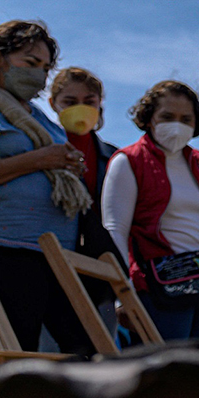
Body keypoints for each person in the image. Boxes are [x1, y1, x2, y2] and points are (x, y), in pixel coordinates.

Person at [0, 21, 92, 354]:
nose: (39, 74)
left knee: (82, 350)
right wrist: (40, 160)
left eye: (45, 67)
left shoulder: (40, 116)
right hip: (6, 246)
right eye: (30, 62)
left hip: (57, 252)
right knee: (18, 350)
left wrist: (67, 164)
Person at [102, 80, 199, 342]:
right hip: (158, 290)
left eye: (185, 119)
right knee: (168, 372)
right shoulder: (128, 162)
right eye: (167, 116)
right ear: (149, 118)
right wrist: (123, 293)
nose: (177, 125)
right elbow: (115, 230)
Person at [49, 66, 121, 334]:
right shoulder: (42, 149)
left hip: (100, 270)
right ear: (53, 104)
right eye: (70, 102)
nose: (80, 108)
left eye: (89, 102)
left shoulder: (114, 158)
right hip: (51, 262)